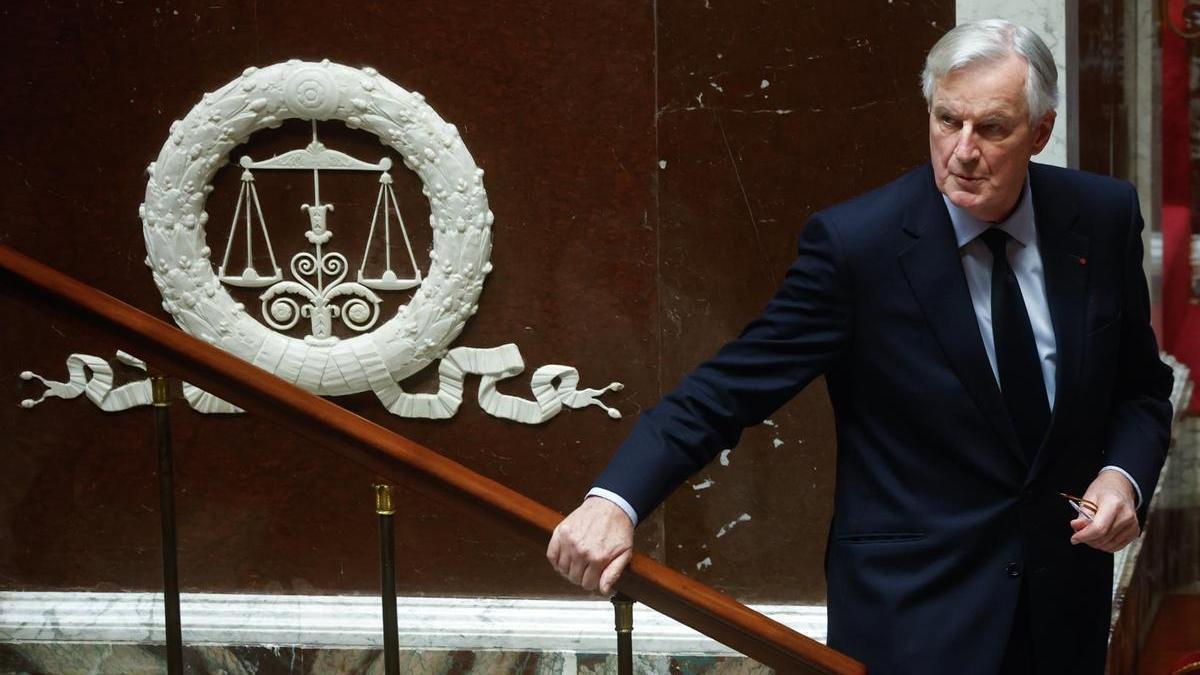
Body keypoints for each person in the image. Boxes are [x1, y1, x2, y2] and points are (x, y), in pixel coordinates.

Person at [546, 18, 1174, 675]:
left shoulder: (1100, 218)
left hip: (1060, 615)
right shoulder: (858, 247)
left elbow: (1138, 387)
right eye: (946, 120)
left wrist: (1122, 474)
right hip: (912, 619)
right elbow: (727, 389)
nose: (962, 150)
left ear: (1040, 131)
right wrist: (613, 500)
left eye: (991, 128)